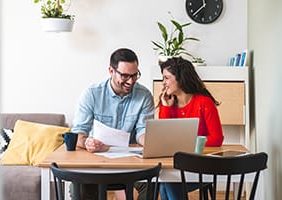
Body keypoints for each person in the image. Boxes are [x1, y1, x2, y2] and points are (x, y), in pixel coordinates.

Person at [71, 48, 155, 200]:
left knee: (153, 184)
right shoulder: (92, 94)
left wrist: (150, 141)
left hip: (130, 163)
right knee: (78, 187)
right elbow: (78, 133)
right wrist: (87, 142)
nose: (131, 81)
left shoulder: (144, 96)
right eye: (125, 76)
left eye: (135, 75)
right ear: (111, 71)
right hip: (96, 161)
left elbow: (143, 130)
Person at [157, 57, 224, 200]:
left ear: (180, 79)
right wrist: (166, 108)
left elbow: (217, 138)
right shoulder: (167, 104)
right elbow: (164, 138)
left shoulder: (204, 103)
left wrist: (186, 143)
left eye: (167, 78)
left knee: (168, 182)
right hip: (176, 166)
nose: (163, 83)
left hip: (200, 167)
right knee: (165, 181)